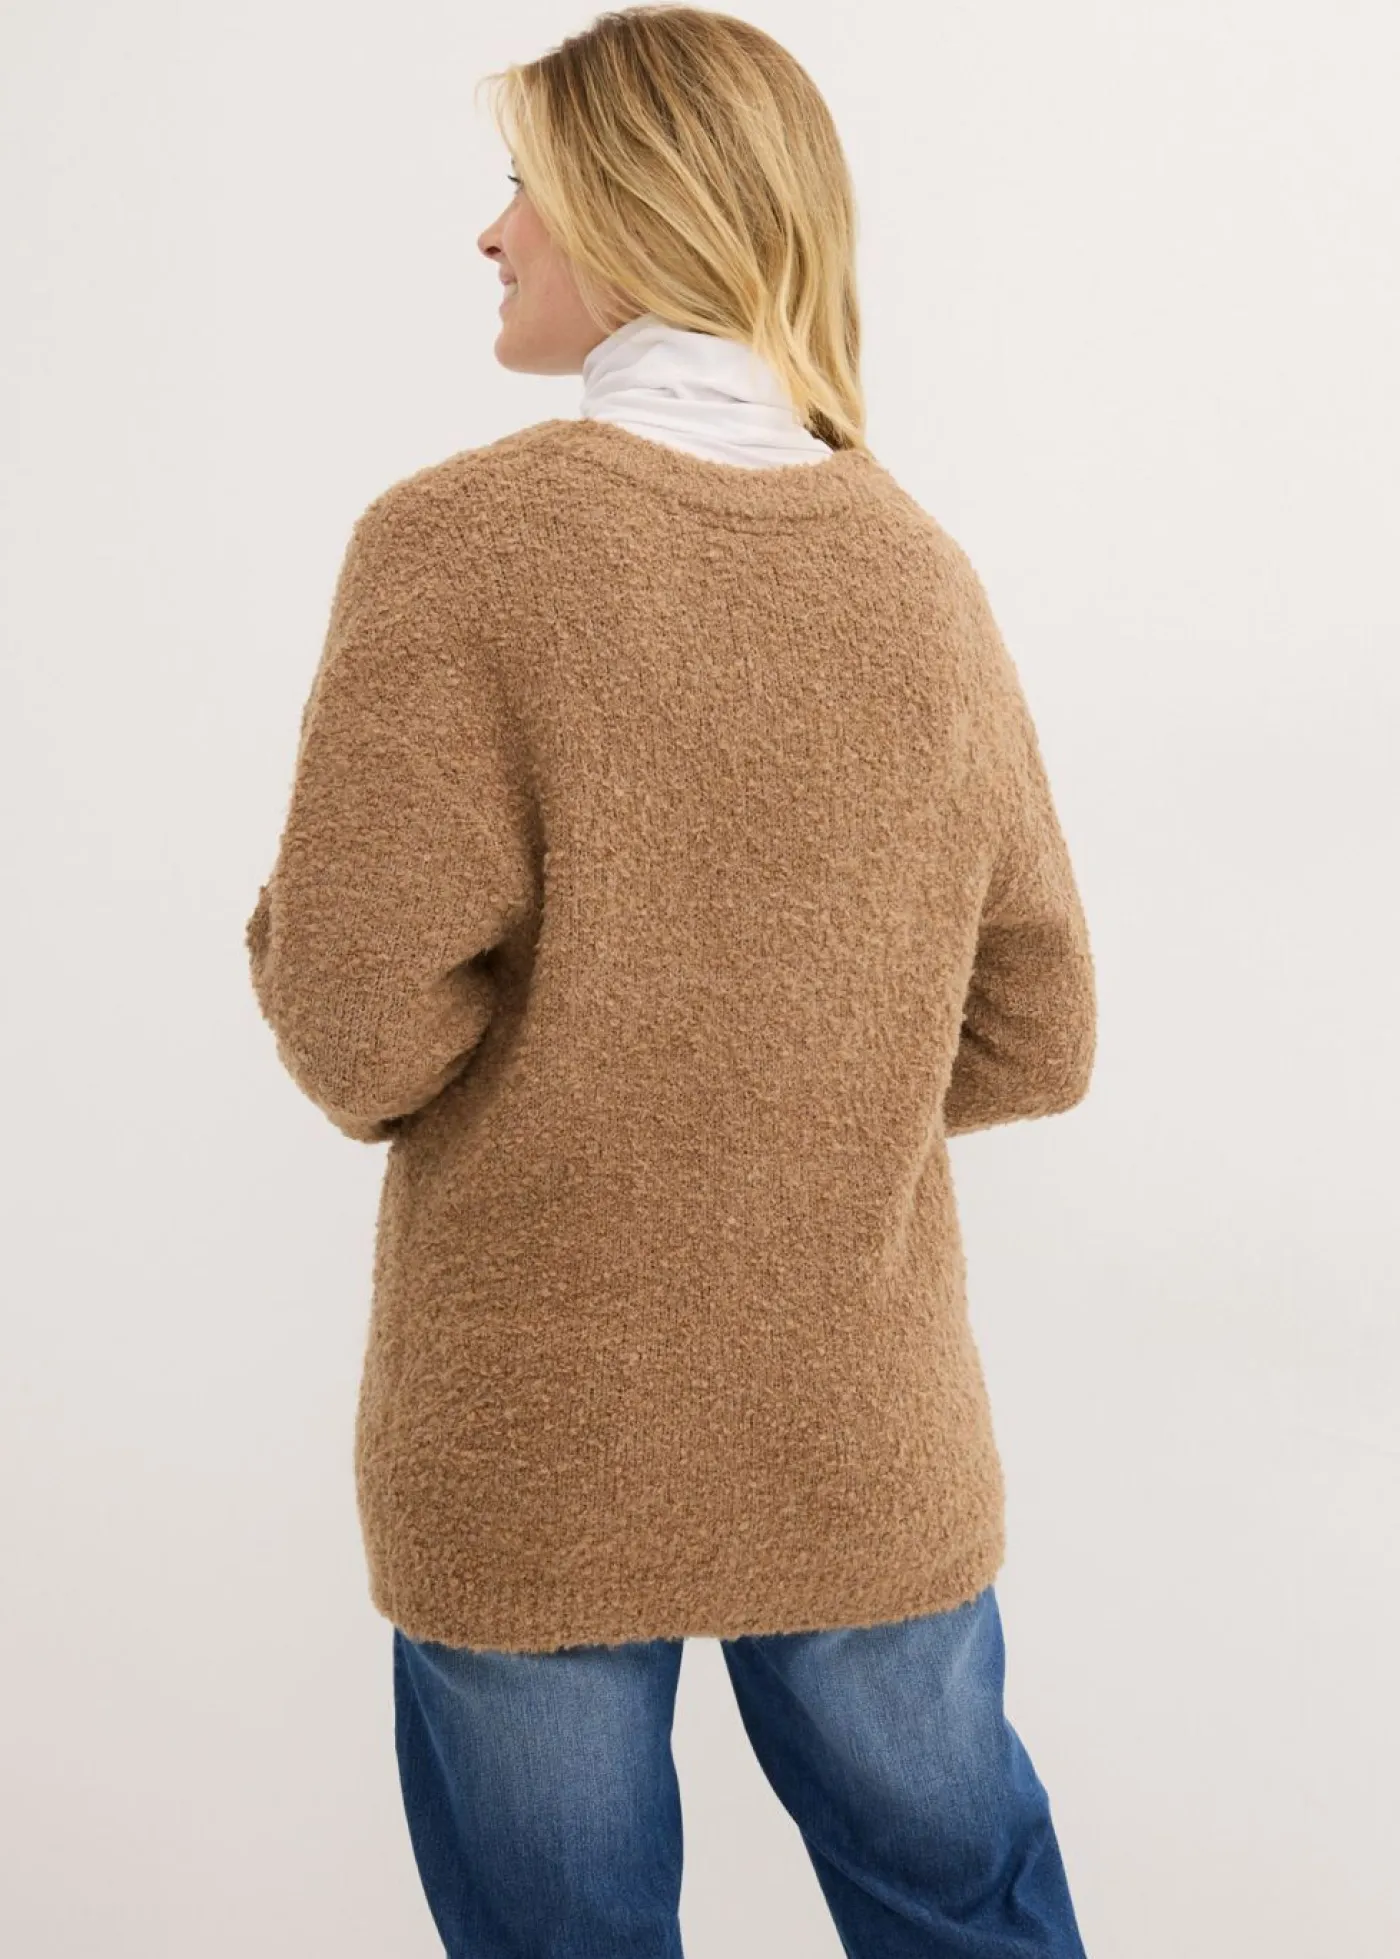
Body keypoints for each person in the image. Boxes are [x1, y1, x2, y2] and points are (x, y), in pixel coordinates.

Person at [244, 8, 1098, 1955]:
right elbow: (1036, 1033)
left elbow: (358, 1032)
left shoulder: (457, 548)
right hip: (859, 1426)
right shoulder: (914, 569)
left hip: (532, 1439)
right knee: (963, 1910)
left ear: (639, 209)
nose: (492, 234)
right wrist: (804, 1076)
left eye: (524, 188)